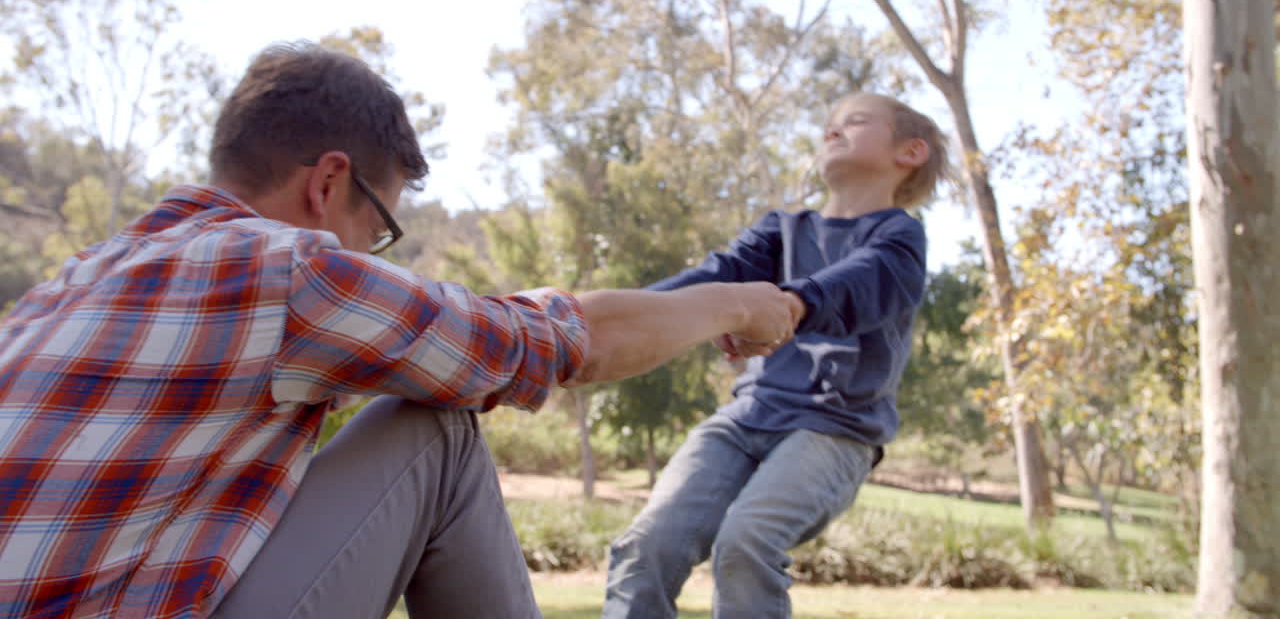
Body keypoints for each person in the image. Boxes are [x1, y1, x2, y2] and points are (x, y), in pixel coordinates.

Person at [0, 43, 800, 619]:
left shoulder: (71, 281)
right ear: (328, 182)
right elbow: (551, 343)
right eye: (379, 228)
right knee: (438, 426)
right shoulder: (289, 272)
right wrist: (733, 305)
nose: (370, 256)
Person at [601, 92, 950, 619]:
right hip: (746, 417)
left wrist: (790, 303)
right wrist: (621, 315)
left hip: (834, 429)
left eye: (854, 121)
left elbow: (863, 283)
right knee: (646, 546)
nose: (832, 130)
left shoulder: (899, 235)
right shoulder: (781, 232)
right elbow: (711, 278)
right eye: (829, 123)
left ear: (911, 151)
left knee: (747, 542)